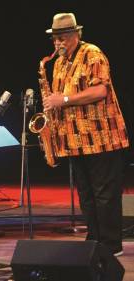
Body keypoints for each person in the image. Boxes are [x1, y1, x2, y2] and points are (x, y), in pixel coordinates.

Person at [42, 13, 130, 256]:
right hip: (74, 140)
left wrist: (65, 99)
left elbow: (100, 90)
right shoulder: (59, 63)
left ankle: (110, 246)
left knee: (105, 195)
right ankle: (94, 241)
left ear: (75, 35)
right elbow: (58, 100)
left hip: (101, 137)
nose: (57, 43)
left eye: (62, 38)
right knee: (86, 195)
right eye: (54, 39)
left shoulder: (92, 53)